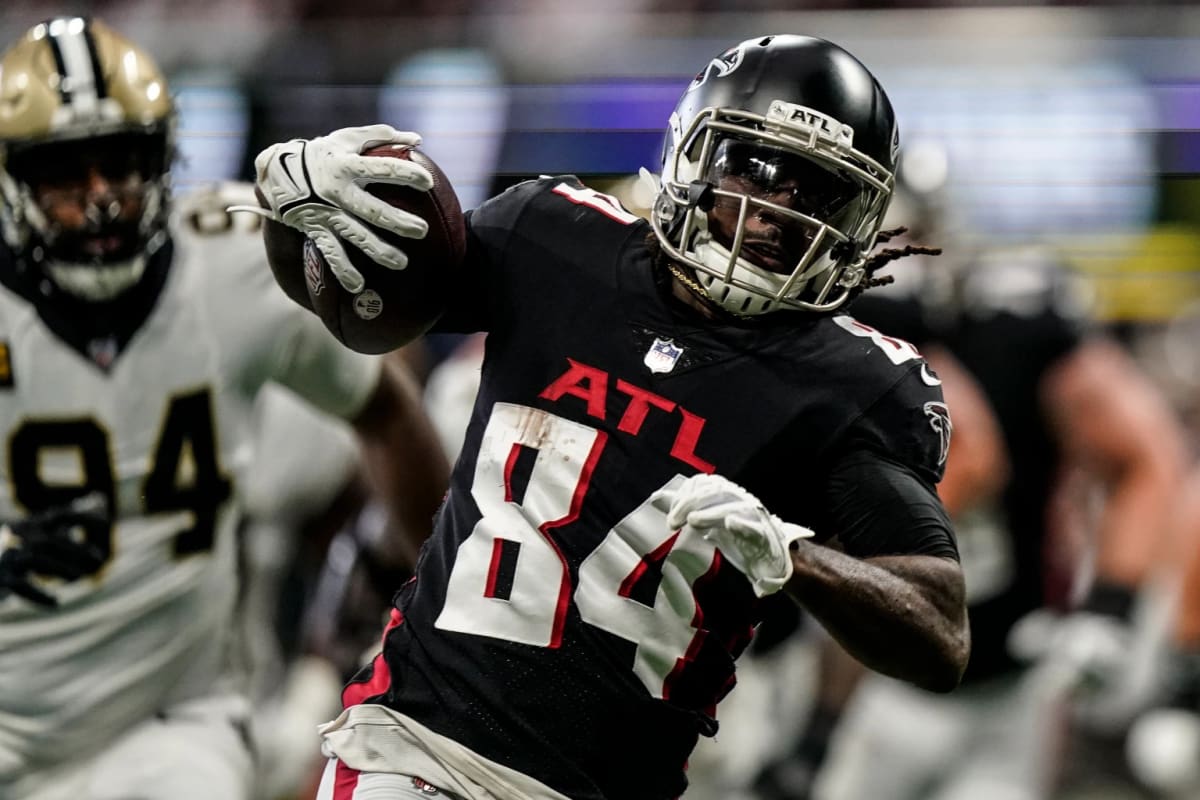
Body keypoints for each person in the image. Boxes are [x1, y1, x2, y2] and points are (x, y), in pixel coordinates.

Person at [253, 34, 970, 800]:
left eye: (815, 191)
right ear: (693, 154)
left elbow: (939, 633)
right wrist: (309, 213)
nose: (772, 211)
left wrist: (794, 557)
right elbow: (378, 311)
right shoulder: (555, 238)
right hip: (420, 746)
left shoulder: (853, 385)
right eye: (755, 168)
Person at [0, 16, 449, 800]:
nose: (103, 201)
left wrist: (445, 611)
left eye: (123, 164)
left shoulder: (232, 258)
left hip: (173, 722)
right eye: (69, 174)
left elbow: (387, 405)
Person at [759, 241, 1189, 800]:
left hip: (1006, 679)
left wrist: (1109, 610)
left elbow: (1144, 454)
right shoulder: (817, 320)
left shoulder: (1017, 332)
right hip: (874, 688)